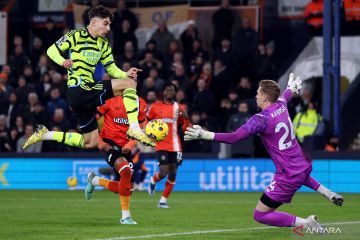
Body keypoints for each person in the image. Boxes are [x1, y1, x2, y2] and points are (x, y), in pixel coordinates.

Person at [184, 73, 343, 230]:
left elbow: (233, 137)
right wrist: (290, 88)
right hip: (301, 164)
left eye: (258, 93)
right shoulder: (281, 105)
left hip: (287, 175)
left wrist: (205, 134)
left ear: (265, 97)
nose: (256, 95)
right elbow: (285, 96)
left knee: (260, 215)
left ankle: (307, 223)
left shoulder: (261, 119)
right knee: (301, 176)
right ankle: (329, 193)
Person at [22, 5, 155, 151]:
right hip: (79, 89)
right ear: (93, 22)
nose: (108, 28)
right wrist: (62, 61)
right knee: (129, 85)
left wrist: (125, 74)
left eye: (109, 24)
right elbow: (51, 50)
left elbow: (111, 68)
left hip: (85, 94)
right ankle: (134, 128)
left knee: (90, 143)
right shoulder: (75, 35)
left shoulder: (103, 44)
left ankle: (45, 134)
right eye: (105, 23)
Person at [85, 95, 147, 224]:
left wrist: (130, 145)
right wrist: (100, 141)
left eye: (135, 75)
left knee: (127, 189)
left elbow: (140, 129)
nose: (133, 77)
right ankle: (125, 217)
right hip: (108, 143)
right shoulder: (109, 100)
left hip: (125, 147)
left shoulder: (141, 103)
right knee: (125, 170)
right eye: (130, 75)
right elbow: (91, 121)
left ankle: (95, 180)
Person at [147, 83, 190, 208]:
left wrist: (186, 118)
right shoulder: (155, 106)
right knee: (164, 171)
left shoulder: (179, 107)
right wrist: (147, 133)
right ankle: (153, 180)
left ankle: (163, 201)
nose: (170, 92)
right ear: (163, 92)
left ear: (175, 93)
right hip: (161, 145)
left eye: (172, 90)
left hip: (176, 146)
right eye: (168, 90)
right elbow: (146, 120)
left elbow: (185, 128)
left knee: (173, 172)